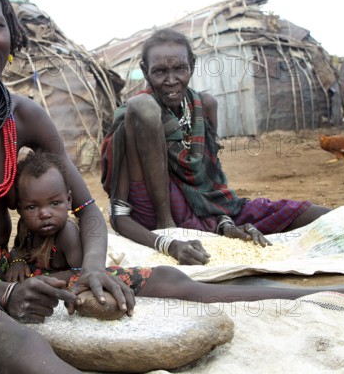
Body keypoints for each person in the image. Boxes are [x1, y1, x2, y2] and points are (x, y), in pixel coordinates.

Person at [0, 0, 344, 372]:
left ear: (11, 34)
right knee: (2, 334)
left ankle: (329, 294)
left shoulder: (27, 116)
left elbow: (87, 210)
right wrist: (3, 294)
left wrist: (91, 270)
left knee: (167, 279)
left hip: (7, 270)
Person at [101, 28, 331, 265]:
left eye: (180, 69)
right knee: (143, 105)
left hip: (207, 215)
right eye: (160, 71)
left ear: (192, 64)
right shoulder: (137, 116)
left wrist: (225, 224)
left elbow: (211, 186)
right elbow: (119, 218)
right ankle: (167, 222)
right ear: (145, 72)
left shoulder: (204, 106)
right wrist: (169, 241)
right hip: (156, 223)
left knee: (314, 214)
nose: (171, 81)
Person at [6, 150, 83, 284]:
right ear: (20, 210)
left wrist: (41, 281)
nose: (44, 214)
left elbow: (80, 272)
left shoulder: (67, 233)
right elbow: (17, 250)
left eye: (54, 203)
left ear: (69, 200)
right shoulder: (25, 226)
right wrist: (17, 262)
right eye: (32, 207)